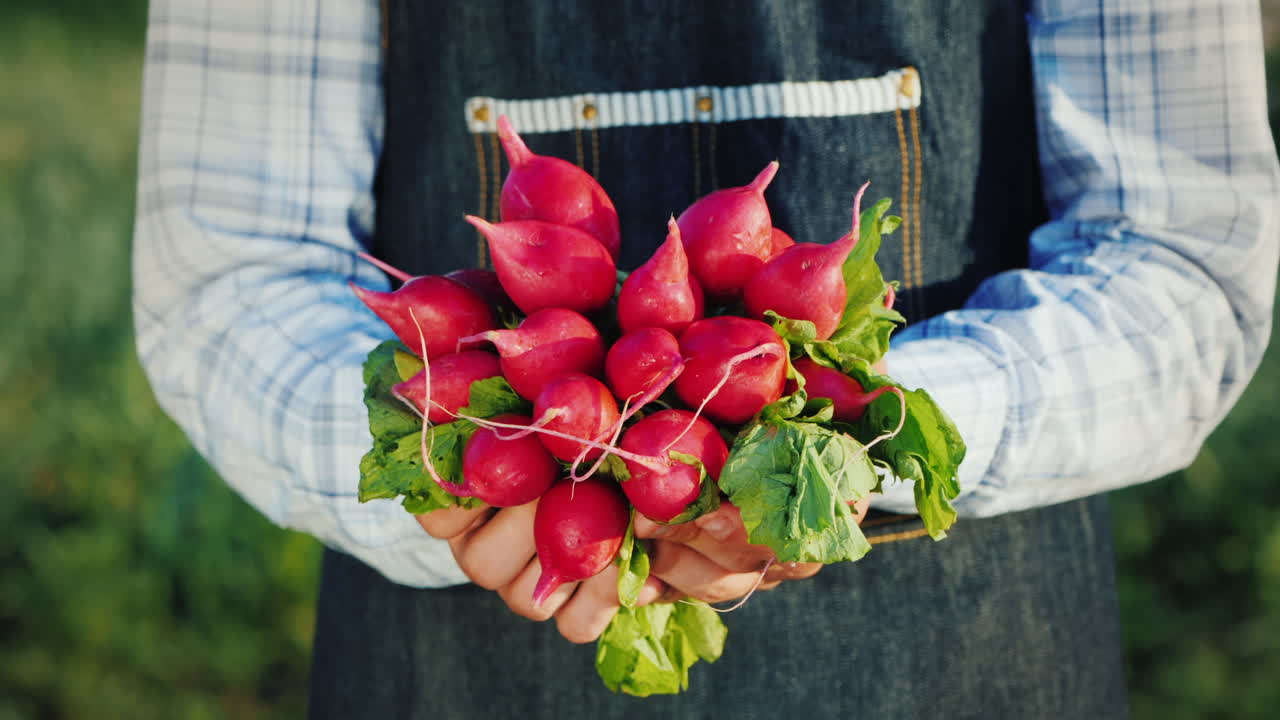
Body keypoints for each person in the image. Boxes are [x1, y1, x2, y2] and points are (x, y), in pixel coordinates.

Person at [132, 0, 1279, 717]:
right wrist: (465, 475)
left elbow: (1181, 258)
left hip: (960, 665)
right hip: (455, 661)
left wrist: (820, 449)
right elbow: (229, 273)